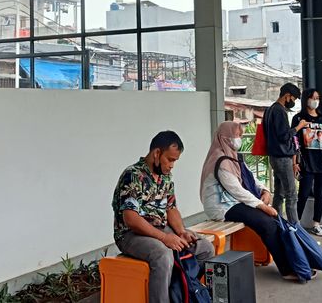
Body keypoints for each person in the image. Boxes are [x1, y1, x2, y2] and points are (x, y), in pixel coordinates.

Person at [113, 131, 214, 303]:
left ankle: (183, 292)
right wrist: (165, 237)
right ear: (157, 153)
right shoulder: (133, 175)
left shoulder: (166, 177)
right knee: (163, 256)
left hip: (161, 228)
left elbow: (171, 208)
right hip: (131, 234)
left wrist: (181, 231)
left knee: (205, 248)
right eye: (170, 159)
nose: (172, 165)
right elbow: (131, 218)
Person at [200, 121, 308, 281]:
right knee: (267, 223)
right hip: (221, 206)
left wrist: (264, 190)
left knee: (271, 221)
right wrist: (263, 206)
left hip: (234, 202)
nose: (239, 139)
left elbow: (250, 177)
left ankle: (296, 264)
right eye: (237, 136)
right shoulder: (220, 160)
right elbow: (237, 190)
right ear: (225, 137)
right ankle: (287, 269)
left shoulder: (233, 156)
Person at [291, 89, 322, 236]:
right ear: (306, 99)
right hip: (306, 161)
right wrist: (295, 162)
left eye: (317, 98)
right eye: (312, 98)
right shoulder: (299, 118)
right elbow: (294, 141)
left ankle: (317, 224)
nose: (315, 100)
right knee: (303, 193)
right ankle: (296, 223)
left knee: (320, 194)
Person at [264, 83, 307, 224]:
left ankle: (277, 222)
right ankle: (295, 228)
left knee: (279, 193)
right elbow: (283, 135)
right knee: (291, 195)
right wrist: (299, 127)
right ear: (287, 96)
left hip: (274, 156)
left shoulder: (270, 110)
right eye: (293, 98)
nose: (293, 102)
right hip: (282, 157)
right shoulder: (279, 111)